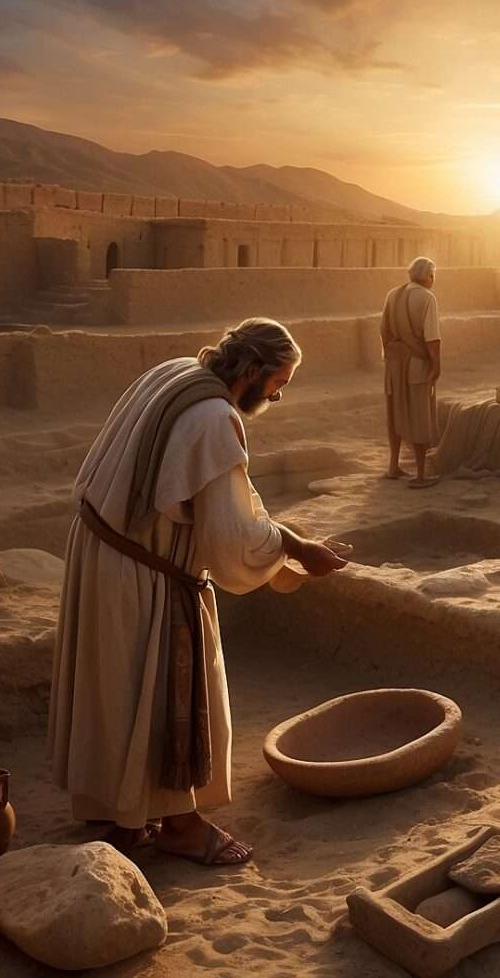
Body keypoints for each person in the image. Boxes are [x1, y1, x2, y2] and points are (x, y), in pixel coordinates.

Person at [48, 318, 348, 865]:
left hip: (100, 553)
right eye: (279, 382)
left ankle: (115, 814)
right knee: (162, 690)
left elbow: (220, 493)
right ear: (253, 371)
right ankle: (180, 825)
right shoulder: (215, 418)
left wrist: (287, 538)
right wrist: (297, 549)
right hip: (147, 573)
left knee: (115, 691)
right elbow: (229, 538)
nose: (279, 394)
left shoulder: (176, 373)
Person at [381, 256, 442, 488]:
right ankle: (420, 475)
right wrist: (436, 364)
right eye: (432, 275)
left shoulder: (392, 295)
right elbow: (432, 338)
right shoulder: (427, 297)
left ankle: (393, 466)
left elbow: (384, 331)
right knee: (420, 415)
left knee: (395, 413)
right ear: (428, 276)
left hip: (393, 364)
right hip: (417, 363)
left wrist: (391, 357)